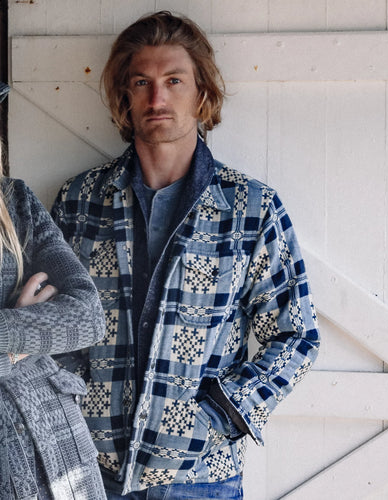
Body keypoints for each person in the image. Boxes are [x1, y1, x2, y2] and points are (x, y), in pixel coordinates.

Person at [52, 11, 320, 500]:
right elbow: (54, 323)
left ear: (202, 94)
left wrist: (215, 417)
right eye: (142, 82)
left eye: (174, 80)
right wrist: (72, 406)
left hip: (201, 478)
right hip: (90, 470)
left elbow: (295, 335)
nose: (158, 98)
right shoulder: (79, 199)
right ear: (125, 97)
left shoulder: (251, 208)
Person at [0, 87, 107, 497]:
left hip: (60, 450)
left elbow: (87, 316)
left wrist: (10, 327)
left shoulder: (15, 202)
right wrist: (19, 347)